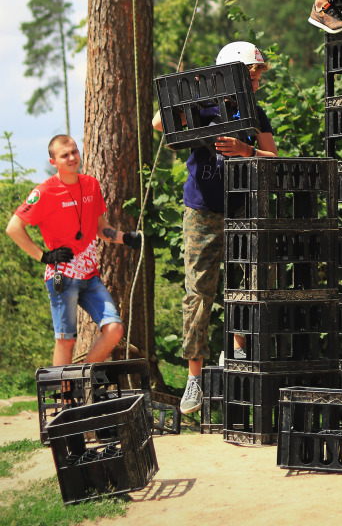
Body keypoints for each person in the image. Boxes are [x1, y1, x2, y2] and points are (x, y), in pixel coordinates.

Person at [152, 40, 278, 414]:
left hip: (242, 209)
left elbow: (274, 157)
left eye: (258, 75)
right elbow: (160, 123)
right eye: (252, 74)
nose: (257, 82)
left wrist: (248, 152)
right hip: (203, 210)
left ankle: (237, 352)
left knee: (243, 284)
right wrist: (191, 95)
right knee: (198, 291)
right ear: (234, 73)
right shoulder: (203, 109)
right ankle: (194, 377)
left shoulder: (256, 113)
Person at [5, 134, 140, 366]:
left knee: (115, 329)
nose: (71, 158)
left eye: (74, 152)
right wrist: (44, 256)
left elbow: (101, 228)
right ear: (53, 162)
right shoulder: (44, 192)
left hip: (90, 274)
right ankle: (63, 400)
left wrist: (125, 238)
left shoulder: (91, 184)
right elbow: (13, 228)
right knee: (66, 340)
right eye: (64, 155)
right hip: (62, 276)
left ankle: (81, 378)